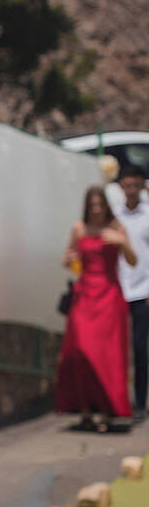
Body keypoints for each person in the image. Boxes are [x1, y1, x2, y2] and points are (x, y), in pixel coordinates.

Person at [56, 184, 137, 430]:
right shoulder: (79, 229)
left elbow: (133, 261)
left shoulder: (116, 228)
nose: (96, 209)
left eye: (100, 204)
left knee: (107, 355)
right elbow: (67, 259)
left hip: (110, 295)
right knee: (81, 351)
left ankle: (106, 410)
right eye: (92, 205)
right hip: (84, 296)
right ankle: (85, 409)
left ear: (106, 206)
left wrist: (122, 242)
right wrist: (69, 260)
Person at [113, 166, 149, 421]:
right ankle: (124, 401)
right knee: (122, 350)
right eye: (127, 186)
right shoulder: (115, 217)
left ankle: (140, 401)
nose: (132, 191)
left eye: (136, 186)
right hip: (121, 289)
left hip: (144, 289)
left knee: (141, 347)